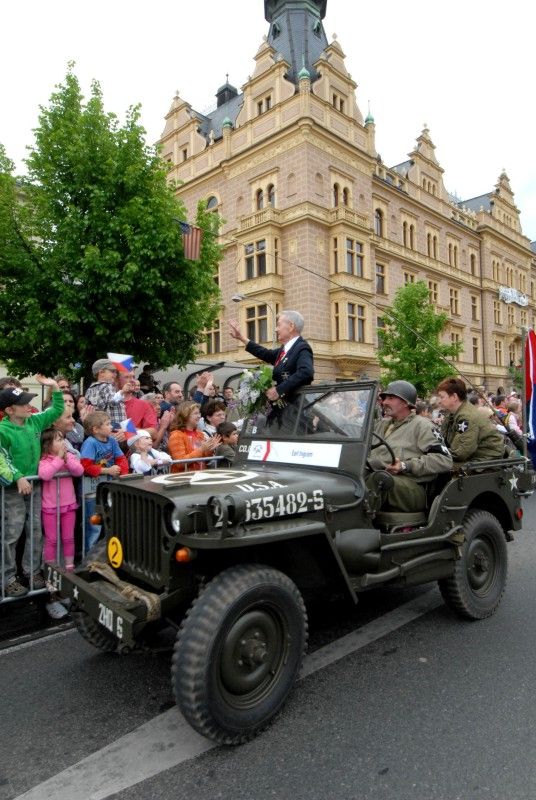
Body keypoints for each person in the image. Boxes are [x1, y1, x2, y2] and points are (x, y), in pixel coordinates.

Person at [0, 375, 65, 597]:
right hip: (12, 489)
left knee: (35, 529)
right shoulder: (2, 431)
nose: (30, 406)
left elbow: (56, 411)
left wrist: (55, 388)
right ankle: (7, 578)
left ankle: (32, 571)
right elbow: (1, 459)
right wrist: (17, 477)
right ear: (10, 410)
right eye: (24, 403)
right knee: (12, 532)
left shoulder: (34, 421)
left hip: (34, 486)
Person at [367, 380, 453, 514]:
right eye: (384, 398)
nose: (384, 402)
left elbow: (444, 460)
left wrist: (405, 465)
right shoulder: (381, 425)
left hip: (412, 487)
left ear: (406, 402)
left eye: (390, 398)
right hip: (382, 479)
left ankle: (357, 525)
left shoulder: (422, 426)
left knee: (379, 479)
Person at [229, 309, 314, 405]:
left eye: (279, 325)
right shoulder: (284, 350)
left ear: (291, 326)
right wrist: (241, 337)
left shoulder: (302, 347)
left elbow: (306, 372)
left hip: (295, 410)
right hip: (283, 410)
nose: (276, 329)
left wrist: (279, 390)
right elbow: (265, 353)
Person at [80, 411, 129, 551]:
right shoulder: (90, 443)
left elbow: (121, 459)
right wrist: (107, 471)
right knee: (94, 527)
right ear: (96, 429)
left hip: (108, 489)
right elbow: (85, 466)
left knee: (110, 524)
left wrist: (123, 475)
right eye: (107, 424)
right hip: (92, 491)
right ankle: (88, 561)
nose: (111, 426)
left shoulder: (112, 440)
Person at [38, 429, 84, 573]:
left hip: (68, 505)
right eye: (58, 440)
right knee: (51, 539)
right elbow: (45, 475)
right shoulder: (44, 460)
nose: (63, 442)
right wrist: (58, 458)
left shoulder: (68, 456)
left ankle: (69, 568)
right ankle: (51, 571)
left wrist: (67, 458)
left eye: (63, 438)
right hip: (50, 506)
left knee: (69, 537)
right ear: (47, 444)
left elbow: (79, 471)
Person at [436, 377, 505, 463]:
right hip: (475, 457)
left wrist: (436, 453)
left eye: (442, 397)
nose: (439, 401)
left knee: (437, 469)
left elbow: (460, 452)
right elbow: (444, 440)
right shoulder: (453, 413)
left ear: (454, 397)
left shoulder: (466, 416)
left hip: (484, 461)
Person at [168, 402, 221, 473]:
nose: (199, 416)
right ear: (185, 415)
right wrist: (201, 449)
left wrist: (209, 450)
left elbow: (204, 459)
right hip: (183, 479)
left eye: (199, 413)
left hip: (199, 477)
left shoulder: (200, 434)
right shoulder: (176, 436)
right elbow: (180, 463)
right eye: (195, 413)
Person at [84, 359, 128, 441]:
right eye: (112, 371)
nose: (115, 375)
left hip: (101, 427)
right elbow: (112, 402)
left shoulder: (90, 389)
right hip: (115, 424)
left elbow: (87, 407)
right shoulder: (108, 386)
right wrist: (122, 392)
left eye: (115, 372)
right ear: (101, 372)